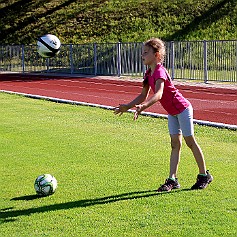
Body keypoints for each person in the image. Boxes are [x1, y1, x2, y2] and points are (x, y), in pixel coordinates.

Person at [114, 38, 213, 192]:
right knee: (175, 144)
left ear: (157, 55)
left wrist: (144, 106)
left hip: (183, 109)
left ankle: (204, 175)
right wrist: (127, 106)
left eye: (146, 53)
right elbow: (142, 96)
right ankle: (172, 180)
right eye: (142, 53)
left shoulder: (160, 71)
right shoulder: (148, 73)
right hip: (172, 113)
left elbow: (159, 94)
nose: (143, 56)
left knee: (190, 142)